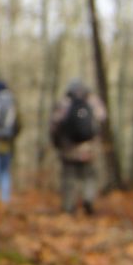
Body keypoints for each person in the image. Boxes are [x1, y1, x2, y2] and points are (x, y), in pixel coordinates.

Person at [50, 79, 106, 215]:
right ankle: (88, 198)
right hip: (89, 149)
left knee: (69, 177)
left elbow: (54, 124)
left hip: (69, 148)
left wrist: (57, 142)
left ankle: (69, 206)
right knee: (89, 176)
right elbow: (102, 119)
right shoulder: (93, 102)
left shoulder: (64, 103)